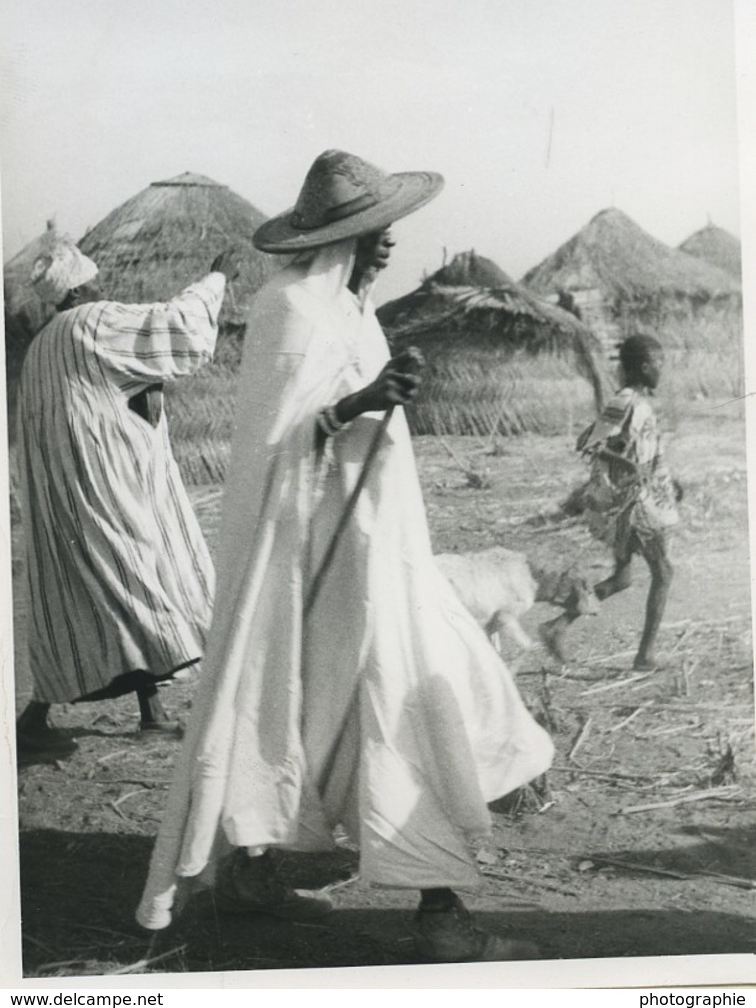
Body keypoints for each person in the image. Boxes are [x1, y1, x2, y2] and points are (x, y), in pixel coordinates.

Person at [136, 149, 554, 965]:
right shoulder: (290, 308)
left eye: (388, 226)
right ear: (336, 239)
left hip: (381, 547)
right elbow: (274, 442)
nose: (390, 242)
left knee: (313, 702)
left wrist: (385, 386)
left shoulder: (353, 310)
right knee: (375, 703)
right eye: (374, 231)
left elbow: (343, 409)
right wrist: (362, 400)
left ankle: (254, 871)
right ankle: (440, 912)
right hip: (314, 558)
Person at [14, 227, 238, 759]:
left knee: (87, 597)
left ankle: (145, 710)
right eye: (94, 284)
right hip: (106, 490)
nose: (101, 290)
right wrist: (217, 277)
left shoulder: (44, 345)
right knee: (140, 576)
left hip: (65, 498)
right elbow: (173, 327)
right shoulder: (92, 322)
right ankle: (38, 718)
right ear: (83, 288)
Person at [541, 333, 679, 671]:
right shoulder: (626, 400)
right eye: (657, 363)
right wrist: (629, 466)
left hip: (644, 496)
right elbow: (587, 443)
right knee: (663, 572)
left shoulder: (639, 401)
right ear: (643, 367)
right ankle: (644, 657)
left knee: (623, 579)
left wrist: (668, 479)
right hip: (634, 502)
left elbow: (645, 448)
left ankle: (556, 627)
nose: (662, 369)